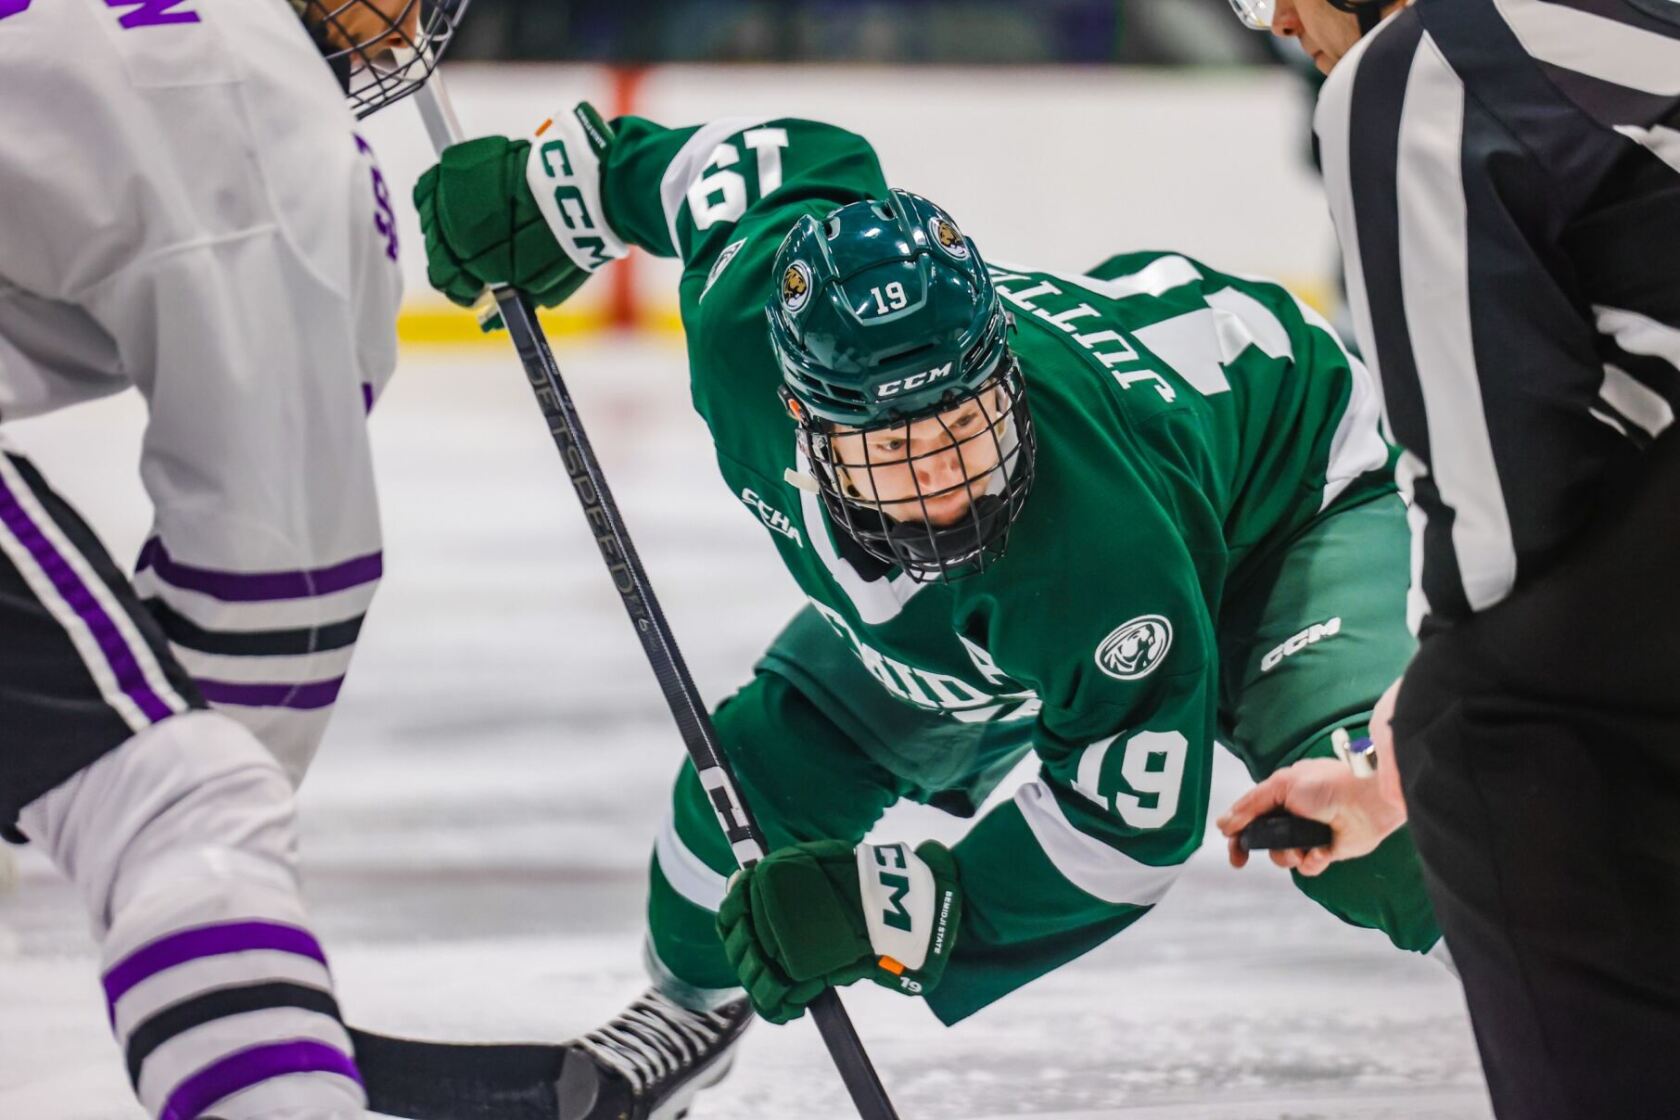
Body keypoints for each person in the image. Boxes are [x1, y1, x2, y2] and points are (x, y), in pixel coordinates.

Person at [415, 102, 1445, 1118]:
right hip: (1054, 566)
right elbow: (752, 163)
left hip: (1292, 499)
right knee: (740, 804)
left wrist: (898, 912)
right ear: (802, 417)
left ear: (999, 370)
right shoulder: (746, 319)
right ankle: (687, 1016)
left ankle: (1590, 945)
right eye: (895, 450)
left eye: (967, 423)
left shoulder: (1088, 548)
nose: (950, 489)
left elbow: (1127, 829)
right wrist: (573, 186)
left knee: (1392, 846)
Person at [0, 1, 463, 1116]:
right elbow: (278, 590)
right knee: (180, 804)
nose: (403, 26)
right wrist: (221, 935)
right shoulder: (242, 89)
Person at [1218, 2, 1680, 1116]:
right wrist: (1384, 775)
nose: (1272, 20)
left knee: (1480, 732)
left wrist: (1420, 750)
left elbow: (1496, 508)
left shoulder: (1420, 66)